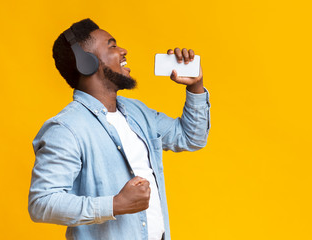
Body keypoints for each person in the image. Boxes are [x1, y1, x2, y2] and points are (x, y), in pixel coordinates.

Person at [28, 18, 210, 240]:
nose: (123, 51)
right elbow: (42, 203)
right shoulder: (66, 128)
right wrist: (114, 205)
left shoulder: (137, 112)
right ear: (86, 62)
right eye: (112, 45)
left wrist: (195, 86)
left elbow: (191, 137)